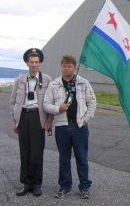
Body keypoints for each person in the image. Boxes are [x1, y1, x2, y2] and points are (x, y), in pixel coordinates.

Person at [43, 55, 96, 199]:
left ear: (74, 67)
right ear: (61, 67)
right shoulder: (54, 84)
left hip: (79, 126)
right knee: (64, 159)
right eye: (64, 66)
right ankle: (65, 186)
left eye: (69, 66)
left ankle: (84, 187)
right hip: (62, 127)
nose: (67, 69)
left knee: (82, 158)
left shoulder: (83, 83)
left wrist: (86, 119)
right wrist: (58, 108)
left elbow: (92, 102)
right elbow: (46, 104)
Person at [10, 48, 53, 197]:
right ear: (27, 63)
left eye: (36, 62)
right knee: (25, 151)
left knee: (36, 152)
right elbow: (13, 101)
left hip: (37, 117)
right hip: (23, 117)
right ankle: (26, 183)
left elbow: (51, 101)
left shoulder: (47, 80)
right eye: (31, 62)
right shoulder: (20, 80)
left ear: (40, 63)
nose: (34, 65)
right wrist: (15, 121)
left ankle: (36, 184)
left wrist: (49, 121)